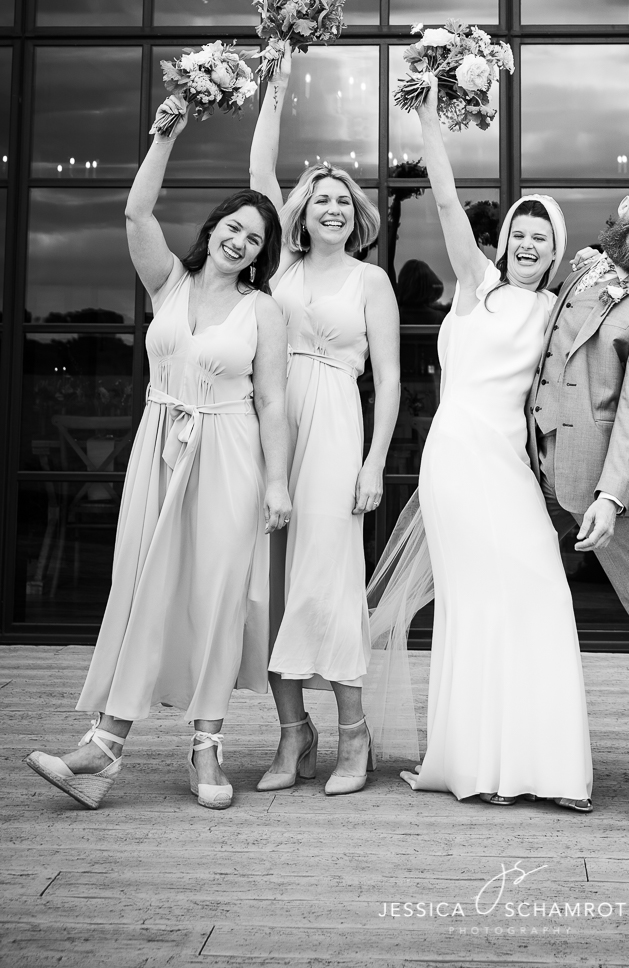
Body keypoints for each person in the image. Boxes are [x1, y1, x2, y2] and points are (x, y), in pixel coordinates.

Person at [25, 96, 291, 811]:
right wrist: (163, 138)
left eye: (255, 239)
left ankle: (206, 748)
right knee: (142, 587)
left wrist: (276, 483)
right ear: (213, 229)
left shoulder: (263, 310)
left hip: (229, 453)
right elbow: (136, 214)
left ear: (261, 254)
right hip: (160, 447)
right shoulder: (168, 282)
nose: (241, 242)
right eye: (234, 228)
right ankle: (104, 747)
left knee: (216, 596)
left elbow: (273, 403)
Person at [369, 83, 593, 809]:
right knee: (475, 603)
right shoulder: (479, 284)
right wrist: (428, 120)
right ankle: (478, 765)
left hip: (509, 462)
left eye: (541, 237)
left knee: (539, 588)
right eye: (519, 232)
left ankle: (541, 766)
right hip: (459, 455)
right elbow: (442, 202)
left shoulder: (556, 311)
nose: (527, 243)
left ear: (555, 250)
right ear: (504, 241)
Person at [249, 50, 400, 796]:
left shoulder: (371, 280)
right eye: (319, 201)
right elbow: (259, 171)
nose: (332, 209)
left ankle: (354, 734)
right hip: (271, 428)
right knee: (269, 583)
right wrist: (277, 81)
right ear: (301, 214)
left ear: (355, 214)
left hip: (337, 428)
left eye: (343, 201)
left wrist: (374, 463)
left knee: (327, 581)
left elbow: (391, 382)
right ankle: (292, 735)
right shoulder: (279, 269)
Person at [530, 183, 629, 776]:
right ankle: (524, 752)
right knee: (520, 608)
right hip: (533, 474)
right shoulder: (580, 272)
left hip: (604, 489)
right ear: (624, 209)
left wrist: (611, 495)